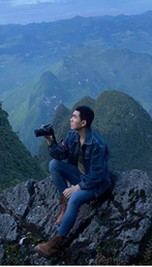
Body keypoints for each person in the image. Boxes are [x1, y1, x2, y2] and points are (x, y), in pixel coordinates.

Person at [35, 106, 112, 258]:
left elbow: (97, 174)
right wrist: (49, 139)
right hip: (81, 177)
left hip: (97, 184)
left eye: (74, 117)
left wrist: (77, 187)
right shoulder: (72, 135)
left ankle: (55, 243)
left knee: (75, 199)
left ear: (83, 123)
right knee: (54, 165)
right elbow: (60, 155)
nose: (71, 119)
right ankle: (65, 203)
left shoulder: (97, 145)